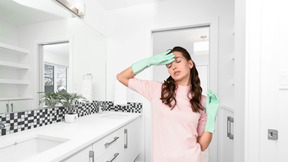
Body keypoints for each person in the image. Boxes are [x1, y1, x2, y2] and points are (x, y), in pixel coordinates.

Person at [117, 46, 220, 162]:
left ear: (190, 64)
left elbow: (202, 145)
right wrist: (149, 62)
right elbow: (121, 77)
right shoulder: (158, 90)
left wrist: (211, 118)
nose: (174, 66)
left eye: (178, 61)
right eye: (169, 66)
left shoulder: (201, 101)